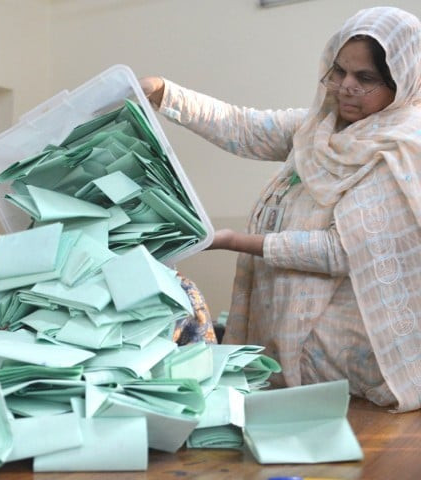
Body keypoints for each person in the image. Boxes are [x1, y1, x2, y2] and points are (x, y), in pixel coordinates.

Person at [140, 6, 421, 412]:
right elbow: (243, 127)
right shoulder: (319, 127)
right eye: (339, 71)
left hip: (348, 356)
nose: (344, 86)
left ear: (403, 81)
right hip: (291, 330)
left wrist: (233, 240)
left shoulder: (401, 149)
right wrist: (166, 92)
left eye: (365, 79)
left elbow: (341, 250)